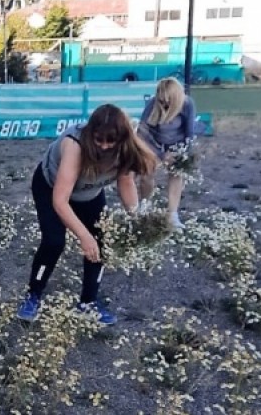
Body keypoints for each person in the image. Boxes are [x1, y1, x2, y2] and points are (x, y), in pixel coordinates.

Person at [16, 104, 158, 325]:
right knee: (54, 242)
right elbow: (60, 201)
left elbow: (126, 181)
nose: (103, 146)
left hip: (89, 194)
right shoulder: (75, 145)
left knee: (102, 242)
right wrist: (84, 236)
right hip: (51, 187)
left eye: (110, 141)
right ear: (91, 132)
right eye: (99, 139)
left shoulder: (126, 150)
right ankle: (33, 295)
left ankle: (88, 303)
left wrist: (136, 217)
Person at [136, 77, 196, 229]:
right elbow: (141, 133)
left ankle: (172, 215)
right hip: (153, 142)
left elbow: (189, 133)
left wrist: (182, 154)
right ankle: (144, 209)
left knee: (177, 175)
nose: (163, 104)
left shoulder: (187, 105)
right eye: (161, 100)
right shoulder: (152, 104)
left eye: (167, 101)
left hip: (177, 144)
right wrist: (160, 155)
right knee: (146, 173)